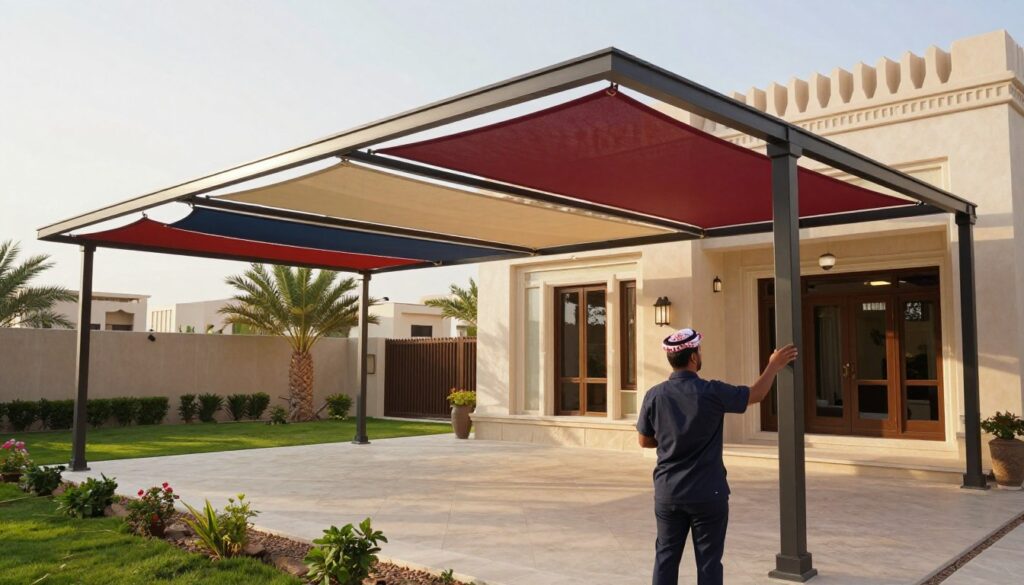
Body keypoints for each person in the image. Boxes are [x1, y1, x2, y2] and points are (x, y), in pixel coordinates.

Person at [637, 327, 798, 585]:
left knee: (665, 559)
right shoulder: (712, 392)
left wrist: (672, 440)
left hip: (669, 493)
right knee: (709, 562)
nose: (701, 354)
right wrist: (773, 366)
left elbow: (644, 440)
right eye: (699, 350)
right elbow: (755, 394)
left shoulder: (654, 395)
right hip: (708, 494)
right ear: (692, 358)